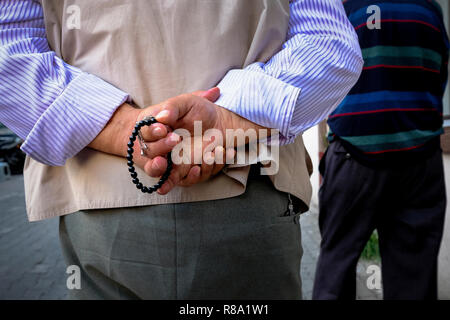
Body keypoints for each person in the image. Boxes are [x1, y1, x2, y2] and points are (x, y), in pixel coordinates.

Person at [0, 0, 362, 299]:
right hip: (250, 198)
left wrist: (125, 128)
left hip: (99, 207)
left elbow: (9, 50)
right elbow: (327, 42)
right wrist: (227, 120)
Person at [313, 0, 449, 300]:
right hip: (419, 158)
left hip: (352, 155)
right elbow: (440, 75)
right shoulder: (429, 10)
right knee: (413, 276)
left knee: (336, 267)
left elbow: (324, 77)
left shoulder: (345, 11)